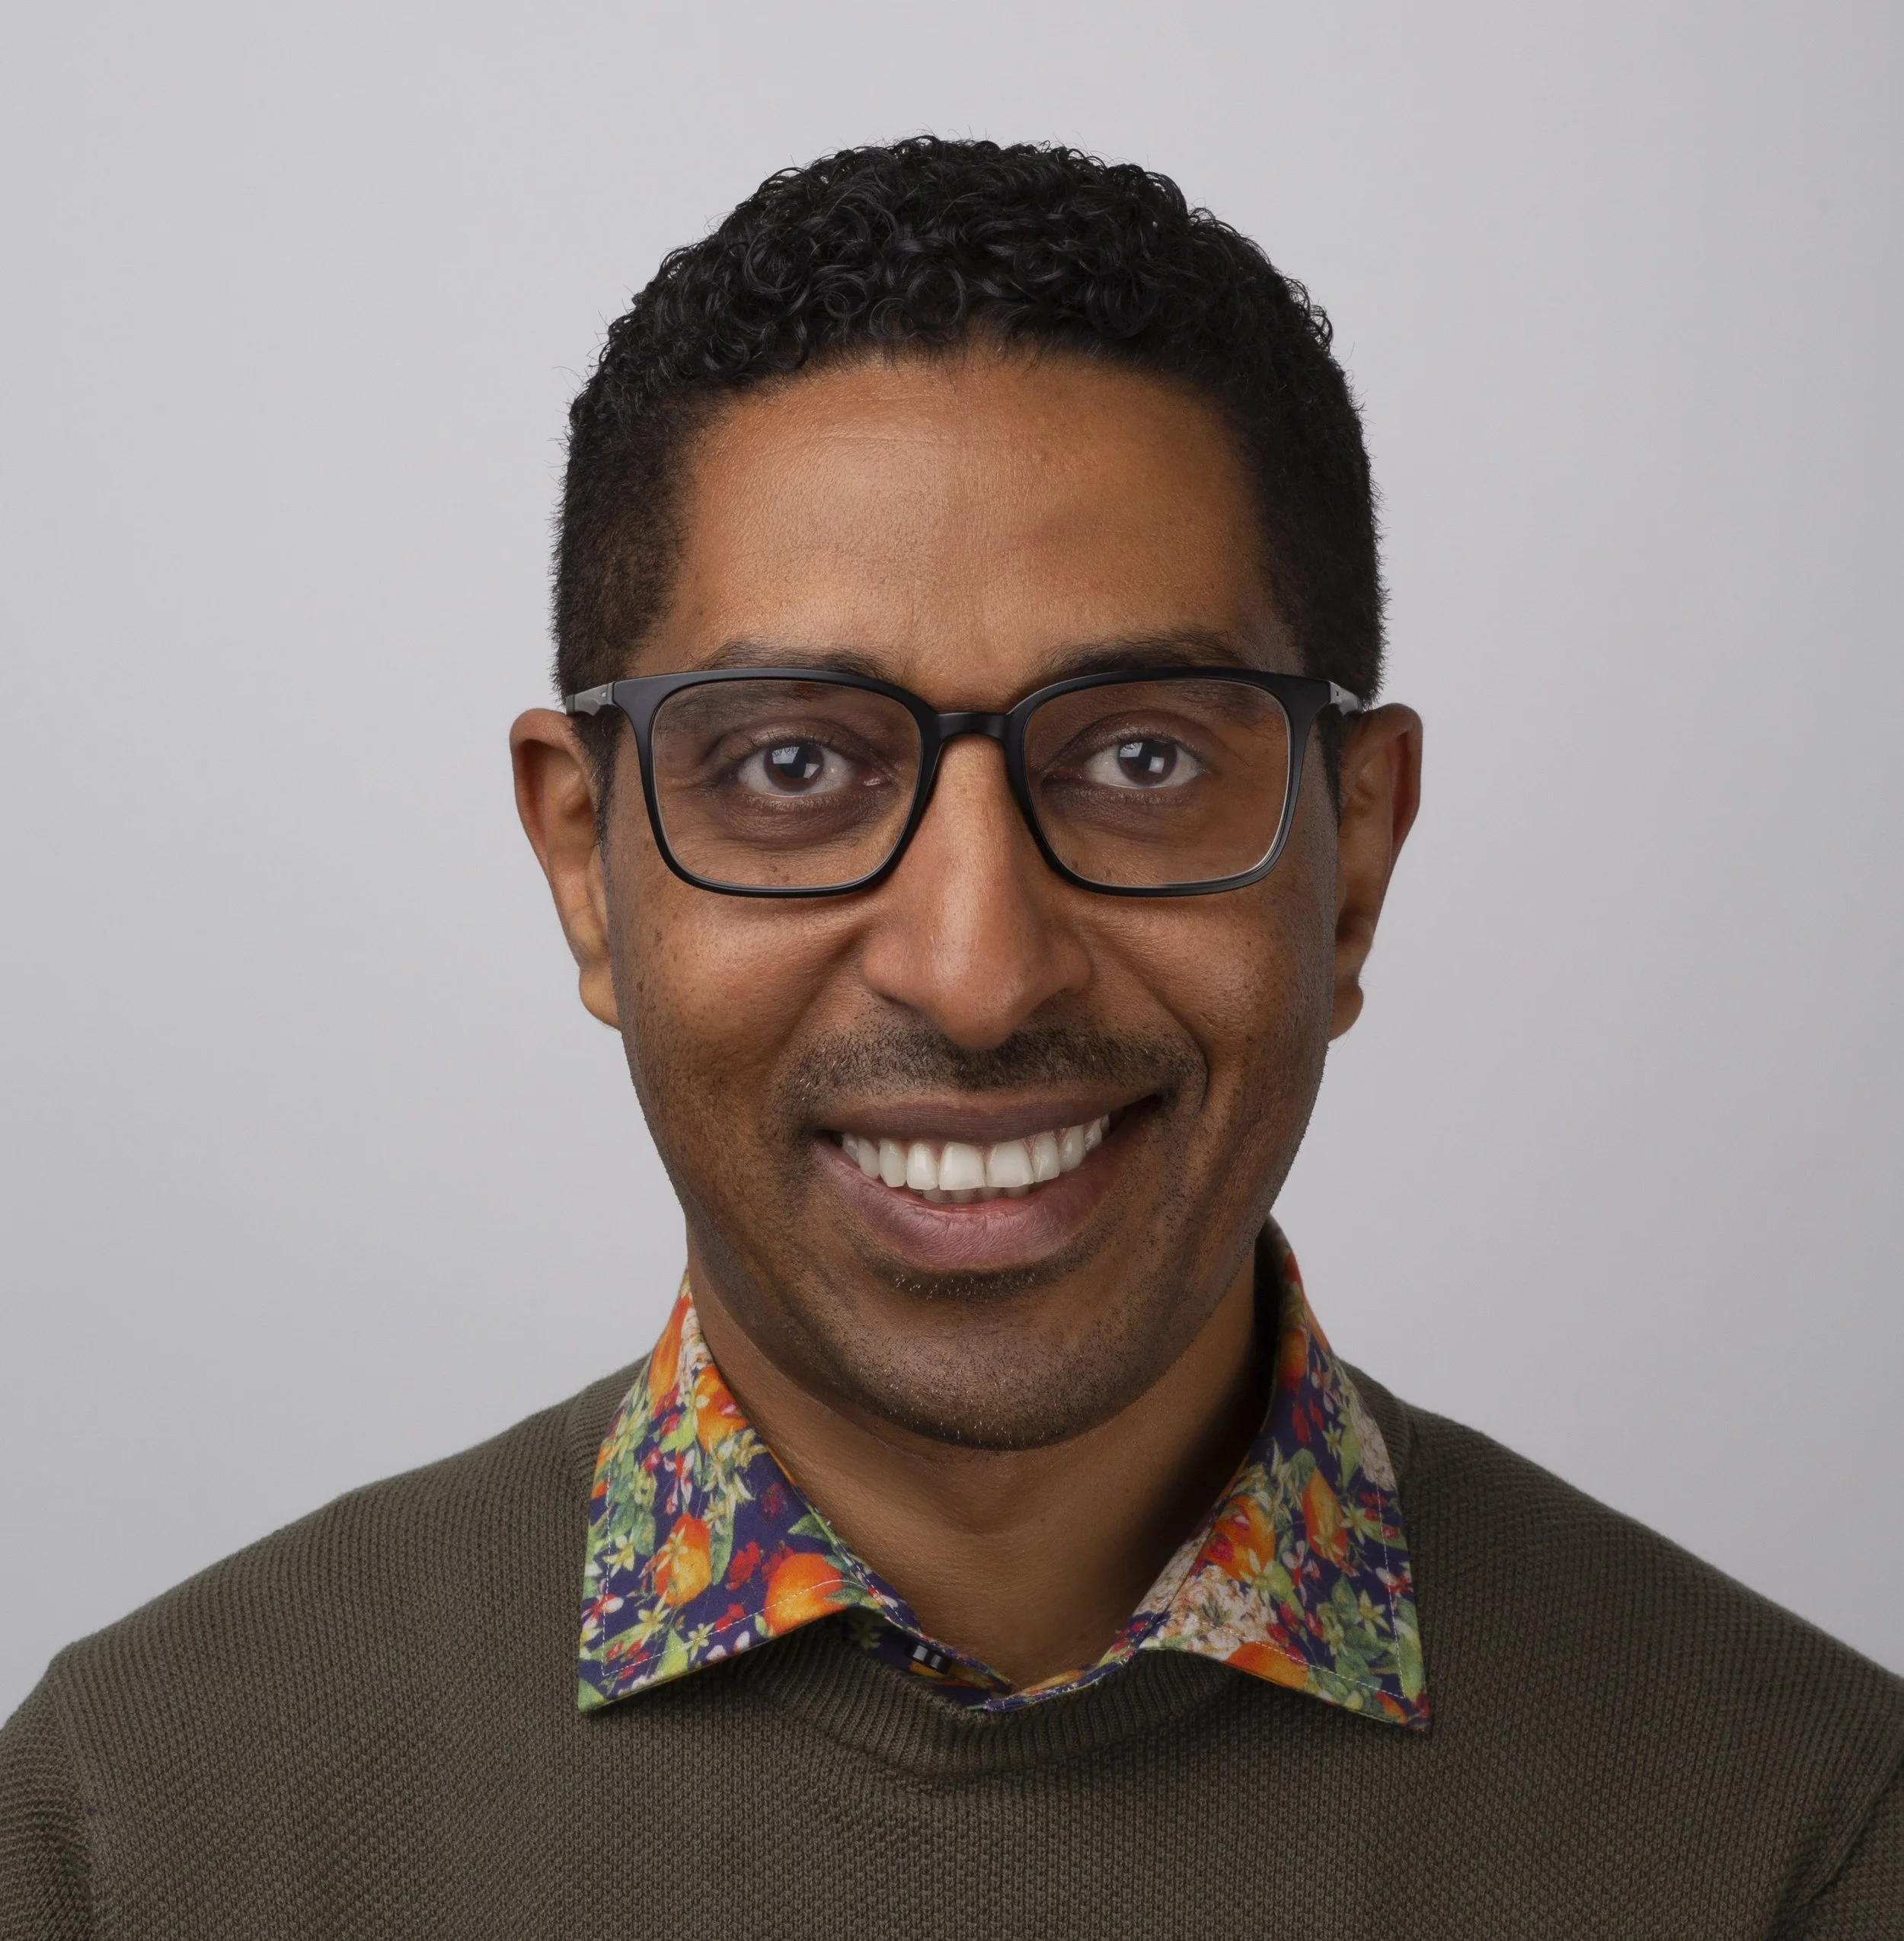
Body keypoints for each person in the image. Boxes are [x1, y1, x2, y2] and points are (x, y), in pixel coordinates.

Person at [2, 137, 1899, 1939]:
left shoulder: (1802, 1835)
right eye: (790, 765)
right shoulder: (137, 1833)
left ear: (1354, 856)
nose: (978, 972)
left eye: (1139, 756)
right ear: (586, 863)